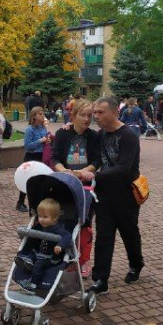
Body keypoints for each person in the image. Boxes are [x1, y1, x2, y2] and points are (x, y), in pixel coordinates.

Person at [78, 97, 142, 295]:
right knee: (104, 236)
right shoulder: (101, 134)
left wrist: (95, 175)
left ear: (114, 113)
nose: (95, 116)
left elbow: (123, 168)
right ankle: (100, 280)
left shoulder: (128, 136)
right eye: (94, 112)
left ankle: (136, 264)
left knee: (128, 232)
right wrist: (68, 127)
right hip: (104, 193)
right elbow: (82, 136)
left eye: (100, 113)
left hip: (126, 195)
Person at [51, 99, 100, 278]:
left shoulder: (94, 136)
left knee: (84, 224)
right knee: (63, 220)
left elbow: (96, 161)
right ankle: (64, 255)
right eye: (83, 115)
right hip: (65, 183)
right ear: (73, 116)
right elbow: (54, 157)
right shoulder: (63, 134)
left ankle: (83, 260)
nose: (87, 119)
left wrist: (82, 172)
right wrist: (64, 171)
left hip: (86, 186)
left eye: (90, 115)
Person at [15, 198, 73, 293]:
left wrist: (60, 245)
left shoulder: (57, 229)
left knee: (38, 264)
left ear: (54, 218)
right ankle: (27, 261)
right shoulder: (40, 226)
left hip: (51, 258)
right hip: (40, 254)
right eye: (39, 216)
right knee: (29, 252)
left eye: (45, 217)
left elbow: (67, 236)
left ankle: (33, 286)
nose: (41, 219)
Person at [16, 106, 51, 213]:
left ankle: (37, 203)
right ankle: (20, 202)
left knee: (39, 181)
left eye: (43, 114)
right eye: (40, 114)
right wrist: (41, 140)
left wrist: (47, 141)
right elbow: (27, 145)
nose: (43, 116)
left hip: (41, 156)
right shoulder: (29, 129)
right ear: (34, 116)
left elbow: (45, 141)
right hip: (31, 157)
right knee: (27, 180)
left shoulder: (43, 128)